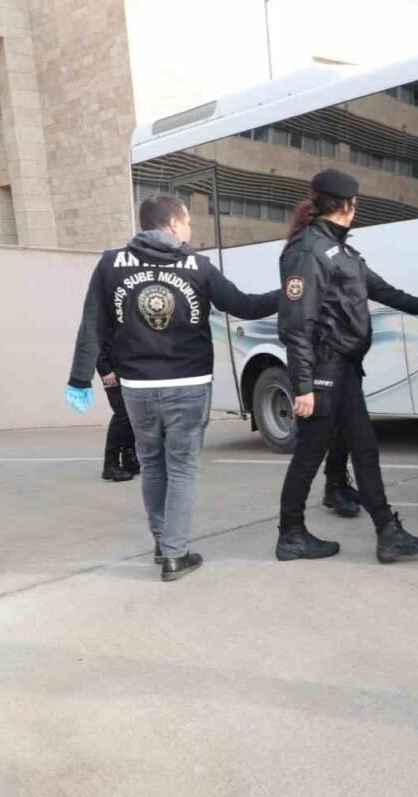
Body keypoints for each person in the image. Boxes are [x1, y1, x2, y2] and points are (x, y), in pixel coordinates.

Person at [65, 193, 280, 581]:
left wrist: (80, 378)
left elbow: (92, 323)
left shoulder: (111, 264)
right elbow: (245, 306)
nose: (190, 230)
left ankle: (163, 543)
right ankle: (175, 555)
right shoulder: (197, 265)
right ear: (173, 223)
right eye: (188, 222)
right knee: (181, 468)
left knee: (151, 464)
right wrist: (292, 294)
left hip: (137, 386)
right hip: (188, 383)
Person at [274, 169, 418, 564]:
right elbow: (297, 324)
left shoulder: (342, 252)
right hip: (323, 369)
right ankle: (291, 534)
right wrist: (303, 386)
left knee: (364, 448)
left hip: (344, 368)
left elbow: (385, 291)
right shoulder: (308, 250)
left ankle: (388, 532)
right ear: (349, 205)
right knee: (309, 454)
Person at [96, 343, 139, 483]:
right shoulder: (100, 327)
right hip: (112, 370)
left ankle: (129, 458)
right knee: (122, 414)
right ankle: (111, 464)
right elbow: (95, 342)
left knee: (132, 413)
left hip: (127, 369)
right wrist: (105, 369)